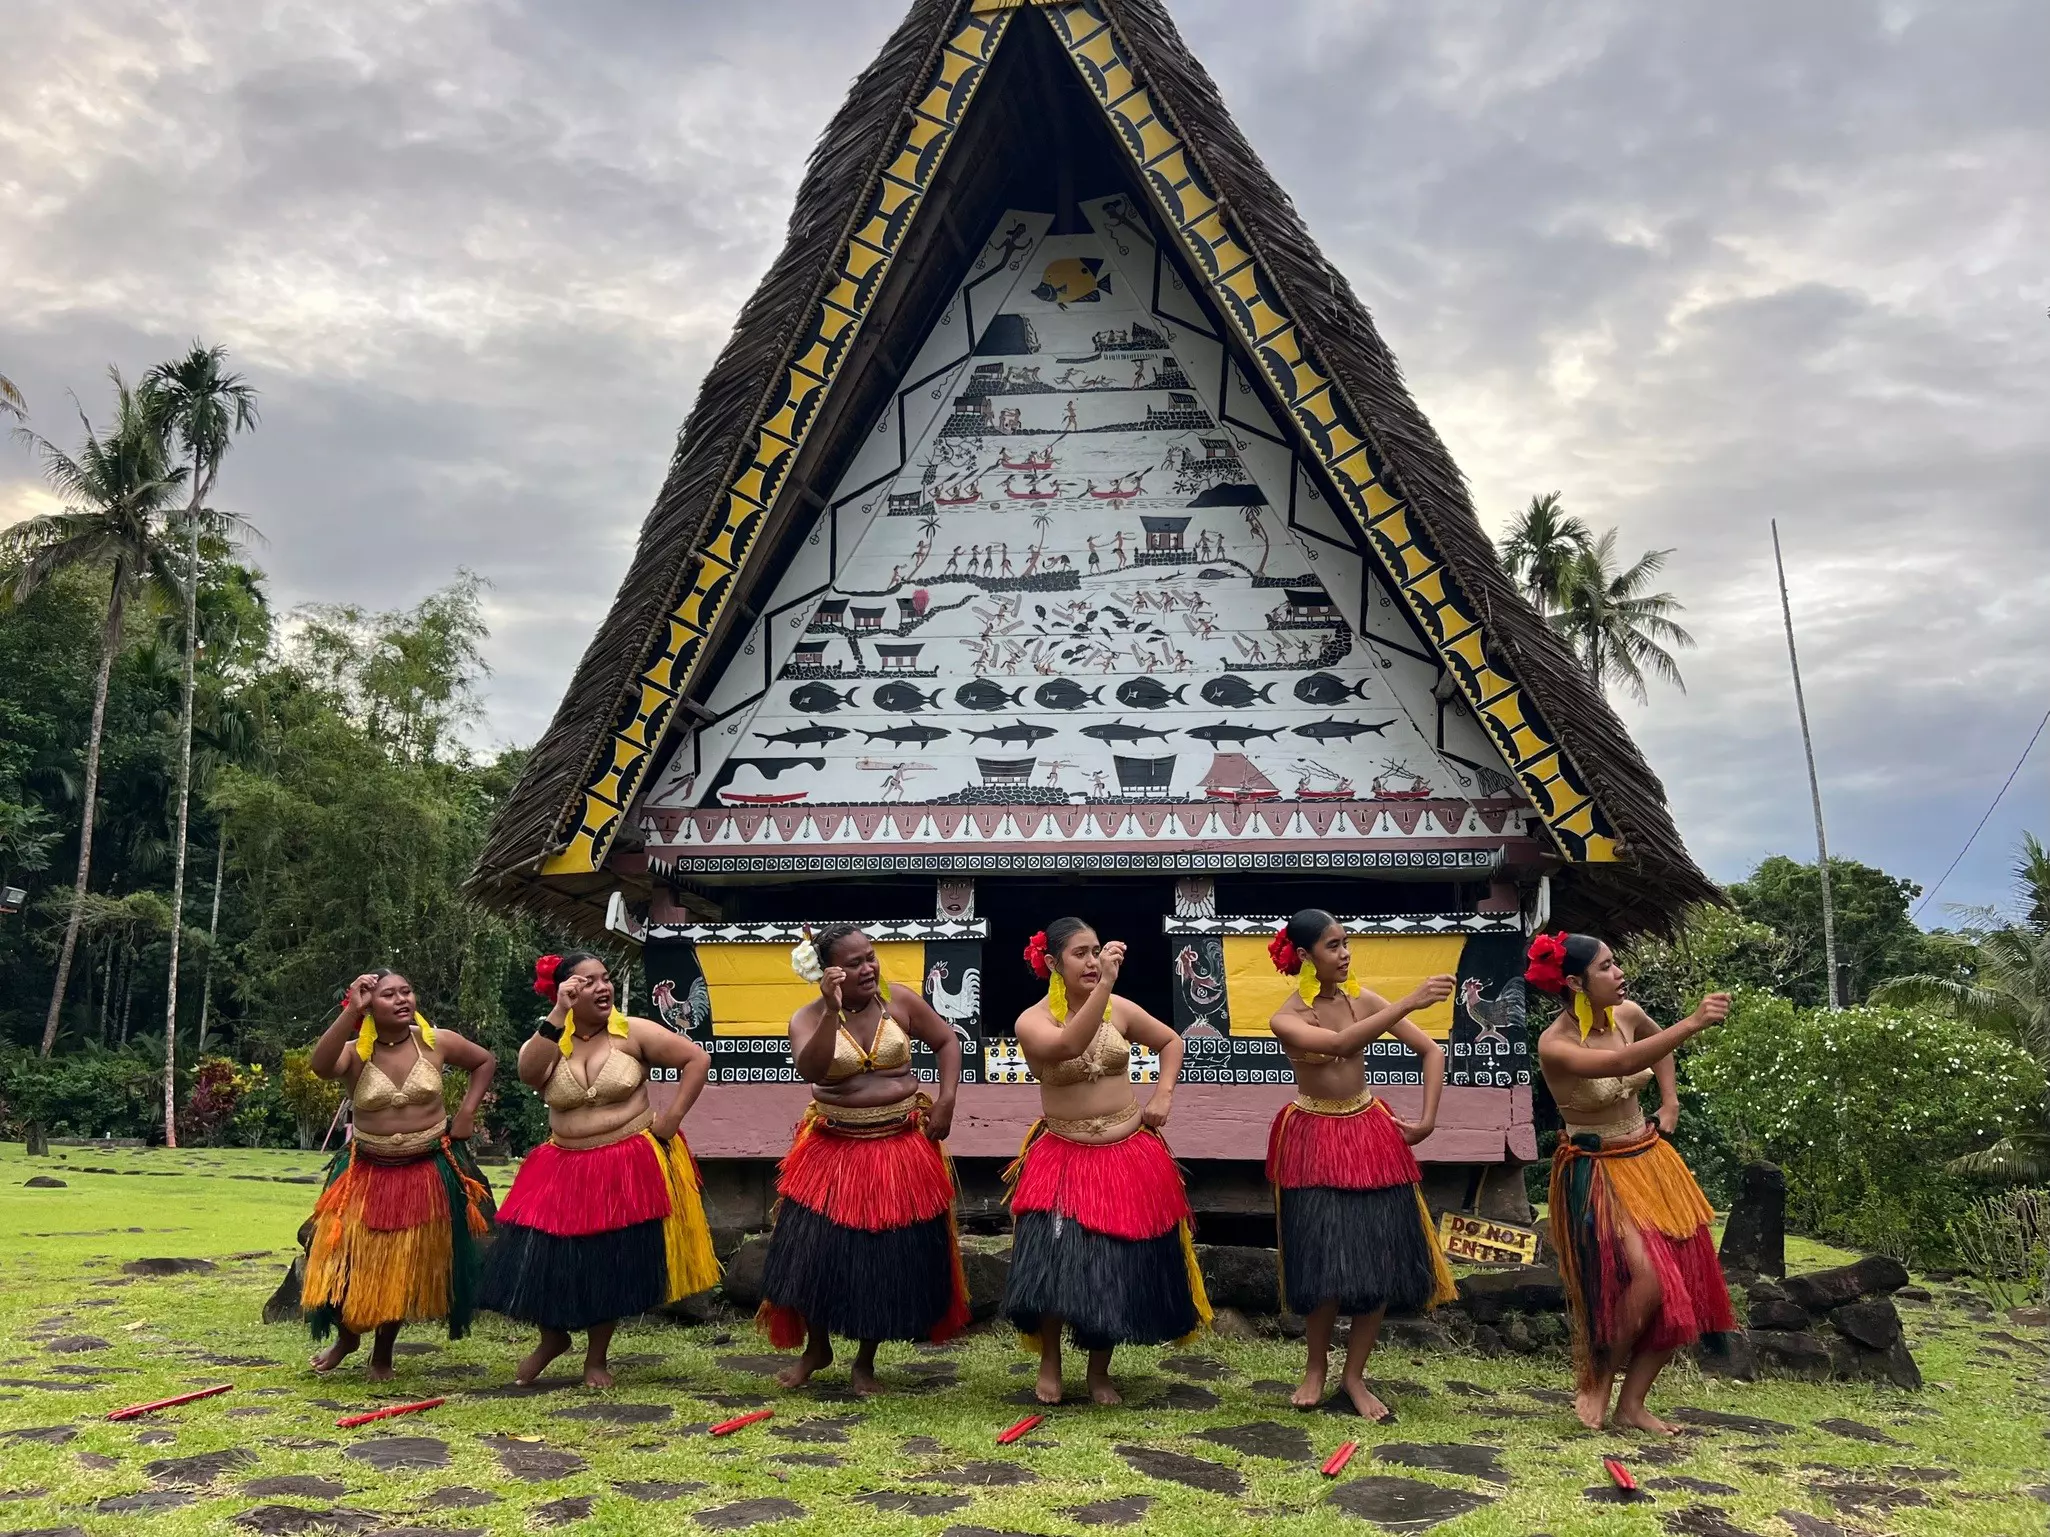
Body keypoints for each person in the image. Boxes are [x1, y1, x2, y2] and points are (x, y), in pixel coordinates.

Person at [480, 951, 720, 1387]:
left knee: (604, 1262)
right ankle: (552, 1339)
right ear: (565, 991)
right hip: (561, 1164)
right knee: (540, 1260)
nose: (602, 987)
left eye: (605, 978)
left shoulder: (634, 1032)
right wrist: (557, 1014)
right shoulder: (551, 1038)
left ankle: (596, 1359)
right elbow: (529, 1074)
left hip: (623, 1160)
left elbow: (696, 1059)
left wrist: (670, 1121)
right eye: (587, 982)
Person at [1528, 931, 1735, 1433]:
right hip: (1598, 1169)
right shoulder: (1555, 1044)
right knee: (1647, 1279)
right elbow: (1622, 1062)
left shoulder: (1627, 1013)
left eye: (1615, 963)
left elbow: (1655, 1048)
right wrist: (1692, 1023)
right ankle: (1597, 1380)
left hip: (1650, 1157)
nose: (1619, 973)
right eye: (1606, 967)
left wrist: (1670, 1101)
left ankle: (1633, 1404)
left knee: (1682, 1278)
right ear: (1576, 982)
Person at [1001, 918, 1210, 1406]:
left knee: (1110, 1266)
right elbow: (1069, 1045)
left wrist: (1163, 1095)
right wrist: (1109, 986)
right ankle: (1050, 1361)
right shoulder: (1033, 1021)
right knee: (1054, 1261)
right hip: (1063, 1155)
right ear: (1053, 964)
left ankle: (1100, 1371)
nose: (1093, 962)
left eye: (1097, 951)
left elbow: (1172, 1042)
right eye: (1080, 954)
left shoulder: (1122, 1009)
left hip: (1127, 1151)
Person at [757, 925, 970, 1394]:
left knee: (882, 1258)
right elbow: (812, 1069)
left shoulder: (902, 1003)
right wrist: (831, 1012)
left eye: (870, 957)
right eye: (854, 963)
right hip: (833, 1149)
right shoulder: (808, 1018)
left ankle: (865, 1362)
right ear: (827, 972)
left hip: (900, 1146)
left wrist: (948, 1099)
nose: (869, 968)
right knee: (814, 1252)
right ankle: (817, 1347)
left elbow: (948, 1042)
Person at [1264, 910, 1459, 1420]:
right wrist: (1409, 1001)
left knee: (1376, 1257)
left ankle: (1354, 1377)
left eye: (1346, 943)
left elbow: (1431, 1052)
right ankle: (1315, 1368)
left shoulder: (1363, 1000)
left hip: (1372, 1132)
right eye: (1333, 945)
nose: (1345, 953)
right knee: (1323, 1261)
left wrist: (1428, 1119)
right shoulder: (1287, 1017)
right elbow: (1339, 1045)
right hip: (1313, 1137)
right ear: (1305, 956)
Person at [303, 970, 498, 1379]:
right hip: (367, 1171)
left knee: (401, 1262)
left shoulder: (435, 1041)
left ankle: (382, 1353)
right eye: (388, 994)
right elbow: (321, 1066)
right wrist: (349, 1014)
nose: (401, 999)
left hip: (425, 1169)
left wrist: (465, 1114)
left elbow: (484, 1061)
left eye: (406, 991)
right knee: (345, 1258)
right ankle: (347, 1337)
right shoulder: (355, 1051)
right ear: (369, 1004)